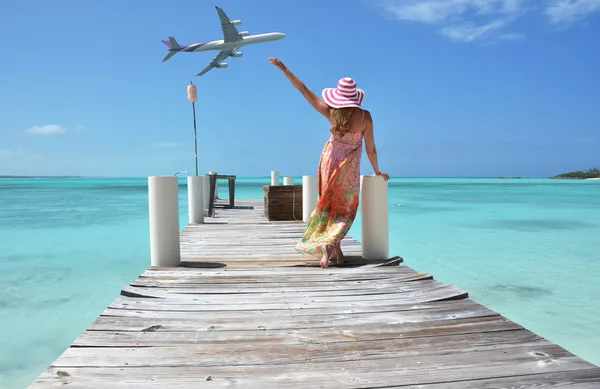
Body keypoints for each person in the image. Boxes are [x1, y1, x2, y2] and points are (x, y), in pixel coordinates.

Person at [269, 57, 390, 269]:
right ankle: (333, 246)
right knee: (344, 208)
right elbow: (371, 148)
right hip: (349, 168)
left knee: (327, 204)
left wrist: (283, 68)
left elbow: (304, 90)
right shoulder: (365, 117)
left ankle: (332, 250)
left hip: (329, 161)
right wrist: (377, 170)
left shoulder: (331, 112)